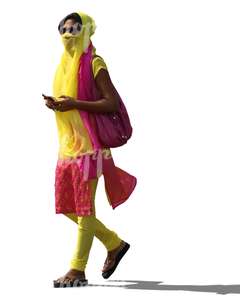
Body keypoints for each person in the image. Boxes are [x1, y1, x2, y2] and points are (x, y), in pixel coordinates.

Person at [43, 11, 137, 288]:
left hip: (92, 149)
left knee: (84, 208)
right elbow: (70, 102)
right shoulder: (63, 65)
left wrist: (74, 103)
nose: (68, 33)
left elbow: (111, 103)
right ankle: (113, 242)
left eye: (75, 28)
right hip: (69, 147)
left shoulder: (95, 62)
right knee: (66, 206)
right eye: (64, 28)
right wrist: (59, 104)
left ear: (86, 31)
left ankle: (77, 269)